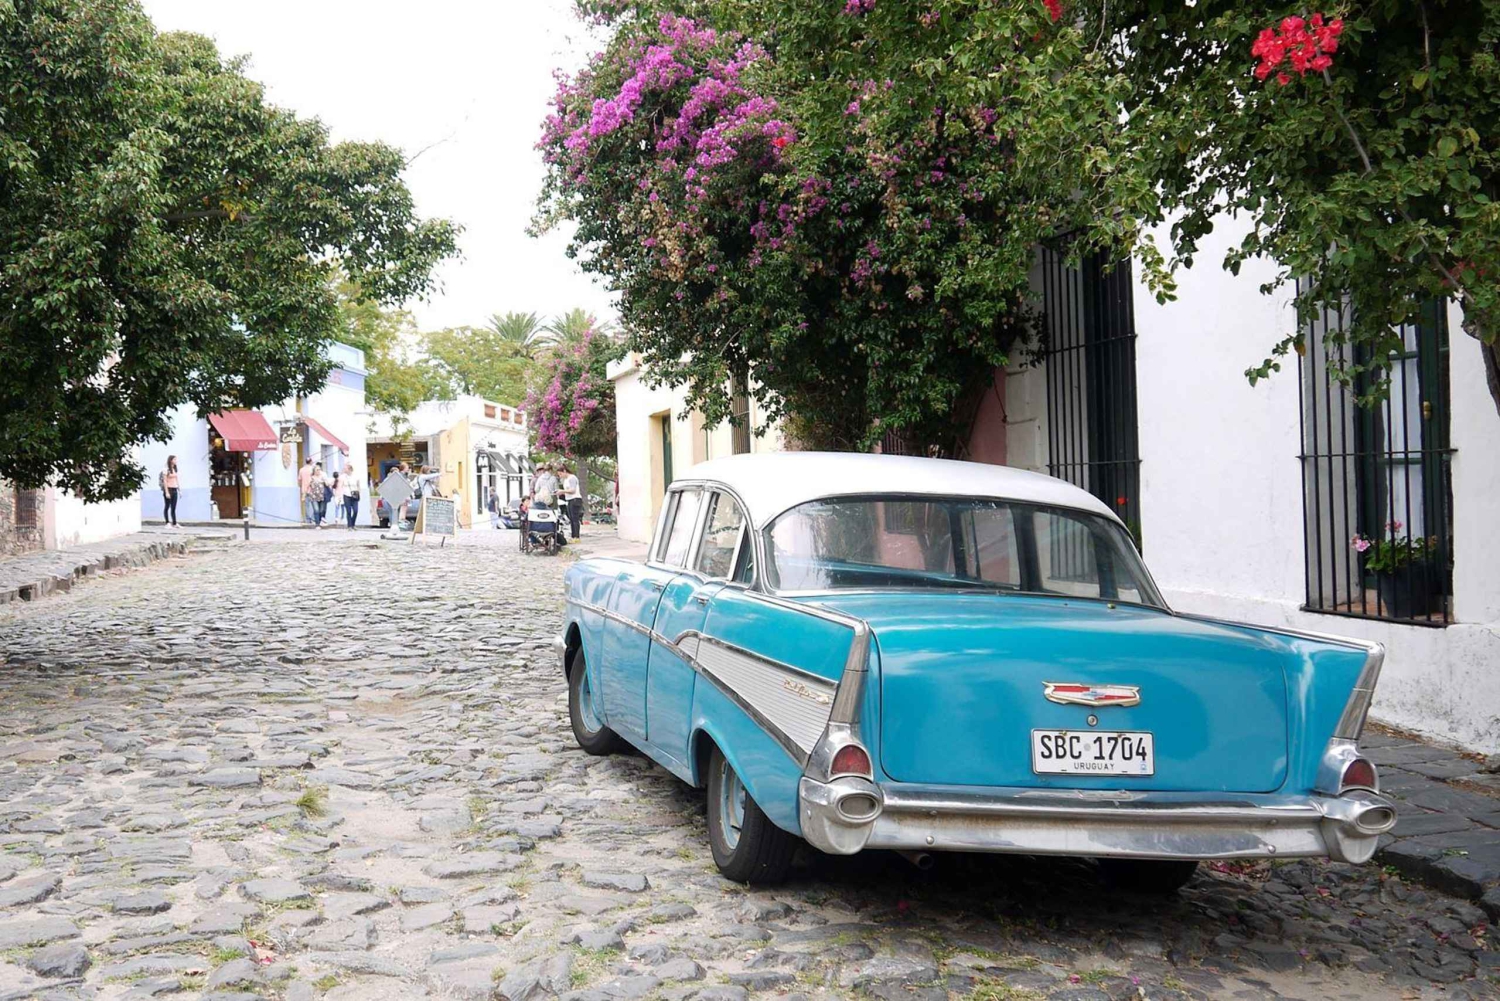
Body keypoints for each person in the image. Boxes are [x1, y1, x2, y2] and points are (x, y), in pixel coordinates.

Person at [563, 465, 583, 540]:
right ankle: (573, 536)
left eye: (561, 474)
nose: (561, 476)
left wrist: (563, 491)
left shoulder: (572, 478)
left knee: (575, 519)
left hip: (575, 499)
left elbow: (573, 490)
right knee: (571, 518)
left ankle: (576, 536)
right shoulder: (566, 480)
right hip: (569, 499)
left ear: (565, 471)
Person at [159, 456, 180, 526]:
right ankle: (167, 522)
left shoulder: (175, 469)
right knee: (167, 506)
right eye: (174, 459)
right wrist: (167, 492)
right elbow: (165, 481)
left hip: (175, 489)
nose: (176, 460)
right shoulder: (166, 469)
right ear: (170, 460)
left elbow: (177, 480)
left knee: (173, 507)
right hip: (169, 489)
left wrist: (179, 490)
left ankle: (174, 523)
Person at [310, 462, 329, 528]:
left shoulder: (322, 477)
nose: (318, 471)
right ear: (314, 471)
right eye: (317, 470)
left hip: (322, 496)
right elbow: (308, 486)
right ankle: (317, 524)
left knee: (321, 510)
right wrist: (305, 493)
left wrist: (325, 480)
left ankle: (320, 520)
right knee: (316, 510)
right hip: (314, 496)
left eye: (319, 470)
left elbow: (327, 484)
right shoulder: (311, 478)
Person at [341, 462, 360, 529]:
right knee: (348, 511)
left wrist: (359, 493)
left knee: (355, 510)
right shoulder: (343, 477)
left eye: (345, 468)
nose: (344, 469)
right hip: (346, 495)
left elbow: (358, 485)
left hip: (354, 495)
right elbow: (340, 485)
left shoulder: (356, 476)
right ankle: (349, 525)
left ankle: (353, 523)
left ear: (350, 469)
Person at [297, 458, 316, 524]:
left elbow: (299, 480)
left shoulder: (301, 470)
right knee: (315, 505)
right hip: (312, 489)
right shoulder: (313, 469)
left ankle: (308, 519)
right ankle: (313, 518)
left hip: (304, 490)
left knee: (306, 505)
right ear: (310, 462)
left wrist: (301, 486)